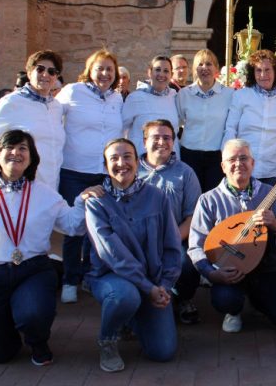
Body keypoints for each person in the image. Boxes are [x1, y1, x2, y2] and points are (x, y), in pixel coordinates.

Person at [0, 130, 89, 365]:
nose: (16, 152)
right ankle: (8, 325)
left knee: (33, 314)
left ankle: (37, 339)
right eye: (9, 147)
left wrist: (83, 199)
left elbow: (73, 225)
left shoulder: (45, 194)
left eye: (23, 148)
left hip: (32, 271)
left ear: (31, 157)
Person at [188, 139, 276, 336]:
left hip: (267, 269)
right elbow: (196, 246)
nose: (238, 163)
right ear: (223, 166)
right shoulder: (209, 199)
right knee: (225, 299)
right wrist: (211, 273)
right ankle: (233, 311)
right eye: (232, 159)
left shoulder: (271, 193)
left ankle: (260, 300)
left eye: (244, 158)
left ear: (253, 163)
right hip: (230, 269)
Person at [85, 138, 181, 372]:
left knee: (163, 352)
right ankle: (108, 339)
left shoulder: (157, 196)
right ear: (106, 165)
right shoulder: (97, 202)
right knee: (125, 296)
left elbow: (172, 245)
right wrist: (148, 288)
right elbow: (113, 254)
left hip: (152, 281)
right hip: (112, 277)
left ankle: (132, 319)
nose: (121, 163)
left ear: (138, 161)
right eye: (114, 158)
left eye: (127, 156)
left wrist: (165, 285)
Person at [54, 50, 124, 304]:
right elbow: (50, 112)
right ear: (90, 70)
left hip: (105, 173)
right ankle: (70, 280)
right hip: (75, 170)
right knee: (75, 228)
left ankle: (89, 275)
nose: (105, 74)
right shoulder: (73, 92)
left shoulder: (117, 98)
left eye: (110, 70)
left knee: (99, 227)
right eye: (100, 68)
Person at [138, 119, 202, 325]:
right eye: (155, 137)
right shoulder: (131, 171)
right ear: (144, 141)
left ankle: (183, 299)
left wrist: (170, 240)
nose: (161, 142)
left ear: (173, 142)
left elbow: (193, 217)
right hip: (137, 239)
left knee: (187, 263)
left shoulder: (186, 172)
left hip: (176, 237)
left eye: (167, 137)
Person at [0, 50, 65, 191]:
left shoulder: (56, 106)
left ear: (56, 77)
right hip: (22, 185)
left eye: (51, 71)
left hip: (51, 187)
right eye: (40, 69)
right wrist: (9, 163)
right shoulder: (13, 102)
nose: (45, 75)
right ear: (30, 73)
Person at [223, 49, 276, 185]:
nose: (263, 75)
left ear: (275, 72)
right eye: (258, 70)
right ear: (252, 73)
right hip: (244, 169)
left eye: (268, 70)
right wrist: (228, 159)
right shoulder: (241, 96)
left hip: (274, 172)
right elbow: (230, 129)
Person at [178, 49, 233, 192]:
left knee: (213, 196)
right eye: (200, 64)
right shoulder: (184, 94)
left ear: (216, 68)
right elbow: (177, 122)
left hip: (216, 156)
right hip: (189, 154)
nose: (204, 68)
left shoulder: (228, 94)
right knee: (191, 196)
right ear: (194, 69)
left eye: (209, 64)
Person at [122, 55, 179, 159]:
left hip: (170, 161)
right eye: (157, 70)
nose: (161, 74)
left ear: (171, 75)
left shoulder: (174, 97)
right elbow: (121, 128)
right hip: (141, 161)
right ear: (149, 72)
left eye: (166, 71)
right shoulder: (135, 98)